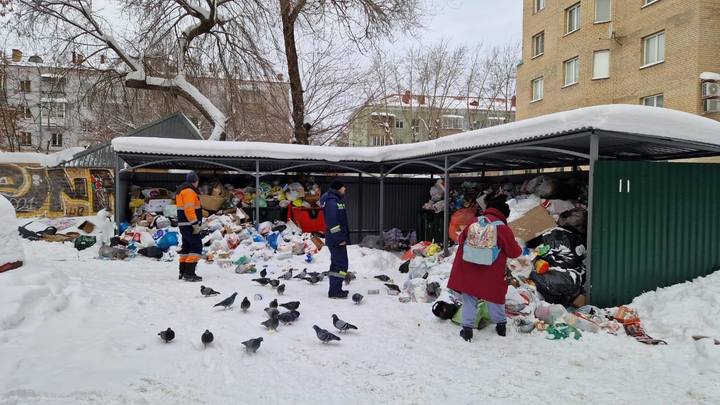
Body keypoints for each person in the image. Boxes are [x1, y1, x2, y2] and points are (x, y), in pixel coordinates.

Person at [447, 197, 521, 341]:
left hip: (468, 266)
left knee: (469, 297)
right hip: (490, 270)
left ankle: (467, 329)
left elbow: (461, 239)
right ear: (503, 214)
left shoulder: (475, 221)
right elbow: (514, 252)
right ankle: (501, 326)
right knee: (494, 297)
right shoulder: (503, 228)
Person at [320, 180, 350, 299]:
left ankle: (335, 289)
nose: (345, 190)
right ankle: (335, 291)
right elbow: (333, 223)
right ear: (338, 188)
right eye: (343, 187)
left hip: (335, 239)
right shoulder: (332, 201)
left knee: (336, 265)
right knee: (342, 265)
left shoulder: (334, 199)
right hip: (336, 239)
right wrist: (339, 238)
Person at [176, 171, 203, 282]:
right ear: (195, 181)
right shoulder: (189, 192)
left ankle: (182, 272)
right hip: (189, 225)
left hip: (184, 224)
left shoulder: (181, 191)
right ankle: (189, 273)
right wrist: (195, 224)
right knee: (196, 247)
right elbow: (189, 210)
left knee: (186, 247)